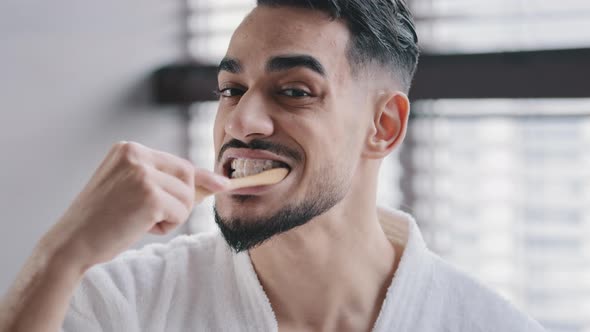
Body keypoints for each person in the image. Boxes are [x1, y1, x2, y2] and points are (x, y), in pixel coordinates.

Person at [0, 1, 546, 331]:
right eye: (231, 89)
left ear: (383, 127)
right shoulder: (120, 307)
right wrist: (62, 253)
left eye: (293, 91)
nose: (243, 122)